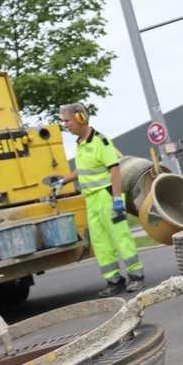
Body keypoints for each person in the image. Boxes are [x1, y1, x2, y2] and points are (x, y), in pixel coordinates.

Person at [51, 103, 145, 297]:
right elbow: (84, 170)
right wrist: (64, 180)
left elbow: (115, 169)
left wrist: (118, 200)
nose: (65, 125)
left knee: (120, 237)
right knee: (101, 243)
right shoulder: (81, 144)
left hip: (107, 197)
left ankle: (136, 276)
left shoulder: (100, 142)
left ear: (80, 118)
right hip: (91, 199)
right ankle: (114, 281)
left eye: (67, 121)